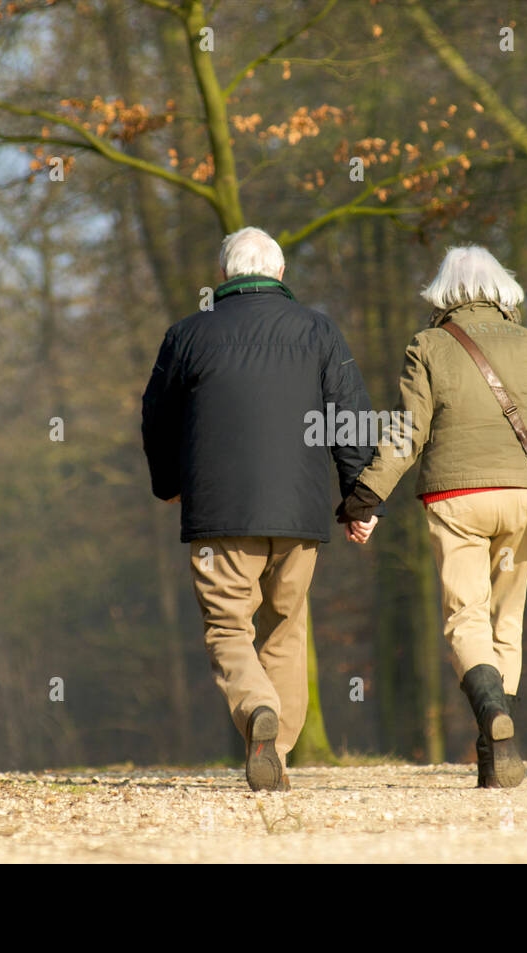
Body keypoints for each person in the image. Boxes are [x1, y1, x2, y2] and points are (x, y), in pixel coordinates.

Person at [336, 245, 527, 788]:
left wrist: (367, 494)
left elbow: (407, 433)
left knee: (467, 616)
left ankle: (491, 717)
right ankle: (497, 752)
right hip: (521, 499)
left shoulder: (430, 346)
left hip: (454, 499)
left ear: (443, 293)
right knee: (506, 621)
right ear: (502, 288)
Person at [142, 226, 379, 792]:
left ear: (224, 276)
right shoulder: (319, 331)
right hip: (300, 514)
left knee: (228, 625)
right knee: (286, 629)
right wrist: (358, 500)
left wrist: (170, 484)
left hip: (219, 515)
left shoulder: (187, 335)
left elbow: (156, 417)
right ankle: (278, 749)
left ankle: (255, 713)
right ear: (278, 274)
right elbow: (351, 416)